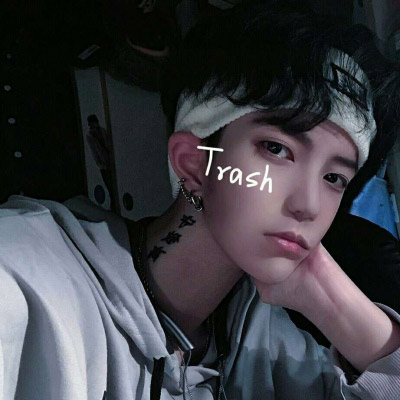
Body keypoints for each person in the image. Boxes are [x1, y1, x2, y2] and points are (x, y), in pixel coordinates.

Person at [1, 2, 400, 399]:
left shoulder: (269, 348)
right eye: (277, 149)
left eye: (334, 178)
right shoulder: (30, 282)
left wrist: (330, 297)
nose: (309, 205)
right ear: (193, 163)